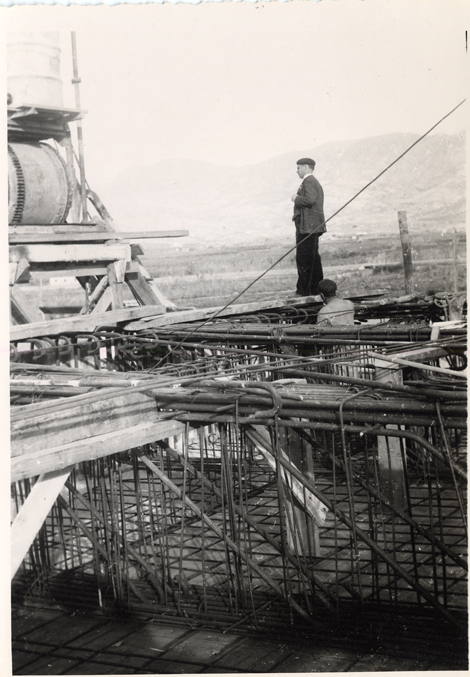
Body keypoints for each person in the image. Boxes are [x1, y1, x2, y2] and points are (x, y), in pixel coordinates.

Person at [291, 158, 326, 296]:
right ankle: (316, 289)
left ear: (306, 167)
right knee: (313, 259)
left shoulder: (309, 181)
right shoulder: (311, 181)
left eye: (298, 168)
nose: (297, 171)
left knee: (304, 259)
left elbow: (309, 200)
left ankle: (304, 291)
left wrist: (296, 198)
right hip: (311, 227)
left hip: (307, 228)